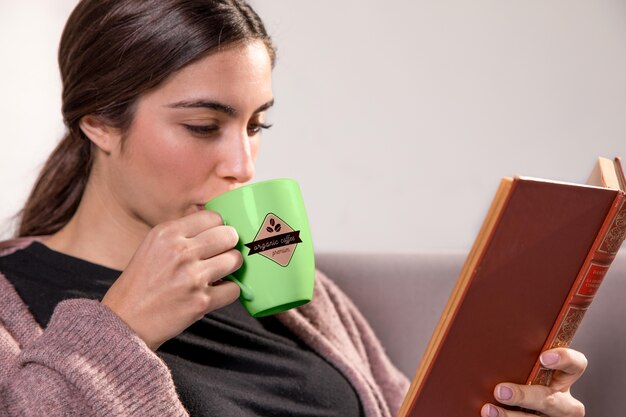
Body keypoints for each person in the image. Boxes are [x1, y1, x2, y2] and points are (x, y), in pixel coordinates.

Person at [0, 1, 587, 416]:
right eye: (204, 126)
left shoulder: (295, 287)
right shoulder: (13, 311)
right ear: (99, 122)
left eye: (256, 124)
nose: (243, 164)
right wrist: (120, 331)